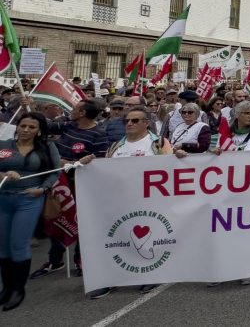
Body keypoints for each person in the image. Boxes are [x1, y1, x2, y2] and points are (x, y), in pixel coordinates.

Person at [90, 106, 172, 299]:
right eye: (127, 120)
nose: (129, 124)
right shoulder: (116, 146)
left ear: (146, 123)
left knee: (146, 240)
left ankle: (150, 275)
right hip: (120, 200)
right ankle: (110, 278)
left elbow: (170, 168)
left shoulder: (158, 143)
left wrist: (179, 157)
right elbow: (106, 171)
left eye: (135, 121)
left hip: (149, 201)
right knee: (117, 239)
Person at [32, 100, 109, 281]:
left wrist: (71, 164)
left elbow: (98, 163)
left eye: (75, 108)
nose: (71, 111)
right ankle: (54, 260)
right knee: (55, 217)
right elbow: (45, 126)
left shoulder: (99, 135)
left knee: (79, 221)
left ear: (82, 113)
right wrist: (32, 109)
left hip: (79, 185)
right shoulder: (68, 126)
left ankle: (80, 259)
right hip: (58, 182)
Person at [0, 112, 61, 311]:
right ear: (17, 126)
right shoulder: (4, 145)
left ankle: (18, 289)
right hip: (3, 198)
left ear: (39, 130)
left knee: (19, 242)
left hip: (29, 199)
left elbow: (54, 172)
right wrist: (3, 173)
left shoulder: (48, 147)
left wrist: (42, 189)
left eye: (31, 127)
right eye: (22, 125)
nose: (26, 130)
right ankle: (7, 288)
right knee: (3, 245)